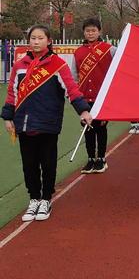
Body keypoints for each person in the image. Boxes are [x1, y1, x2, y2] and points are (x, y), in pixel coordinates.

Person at [1, 25, 92, 222]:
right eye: (33, 38)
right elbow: (12, 94)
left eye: (40, 38)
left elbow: (71, 89)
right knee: (29, 165)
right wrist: (8, 117)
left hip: (48, 122)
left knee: (48, 163)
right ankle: (34, 198)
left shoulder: (57, 65)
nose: (36, 41)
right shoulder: (19, 66)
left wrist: (83, 110)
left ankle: (45, 199)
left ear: (48, 41)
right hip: (24, 123)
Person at [72, 18, 116, 174]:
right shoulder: (78, 52)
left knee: (101, 128)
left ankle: (102, 159)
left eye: (93, 30)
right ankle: (91, 159)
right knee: (88, 128)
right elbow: (74, 76)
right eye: (87, 30)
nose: (90, 33)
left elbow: (118, 69)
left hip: (101, 97)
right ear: (83, 32)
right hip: (84, 98)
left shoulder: (109, 49)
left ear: (99, 32)